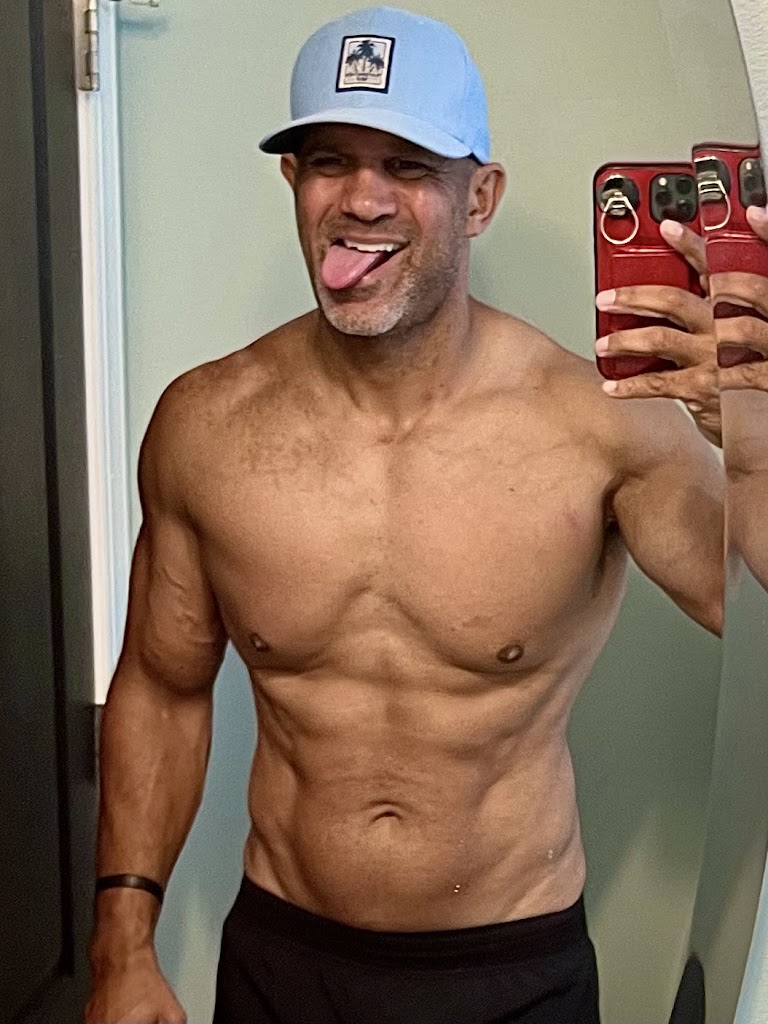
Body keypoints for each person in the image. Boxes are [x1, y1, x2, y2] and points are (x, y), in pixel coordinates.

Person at [84, 8, 724, 1024]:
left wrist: (757, 433)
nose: (363, 199)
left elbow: (750, 611)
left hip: (512, 970)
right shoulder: (206, 425)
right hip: (283, 959)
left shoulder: (605, 427)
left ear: (481, 198)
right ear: (293, 181)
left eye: (410, 166)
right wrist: (121, 945)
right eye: (329, 161)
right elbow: (163, 688)